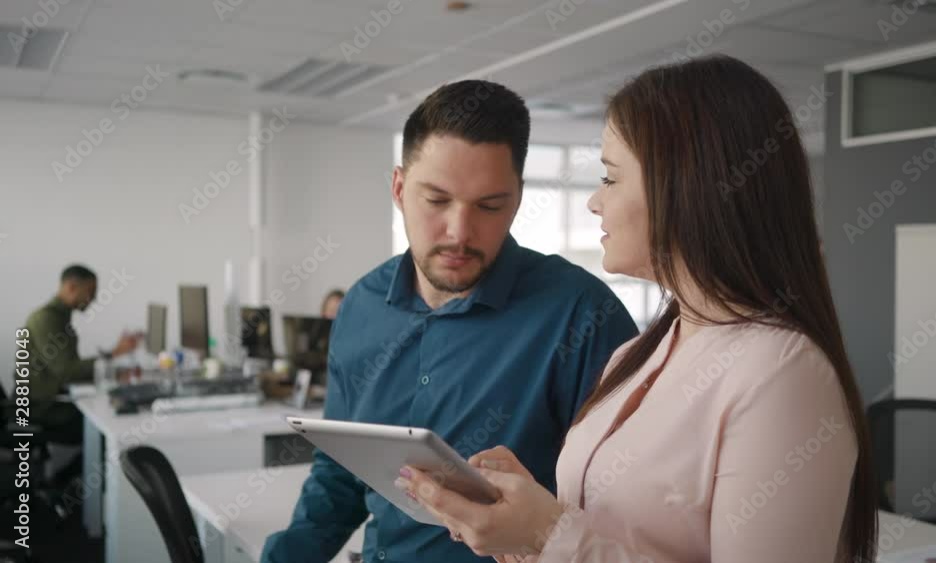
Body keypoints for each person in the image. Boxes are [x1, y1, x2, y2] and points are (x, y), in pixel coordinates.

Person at [396, 56, 878, 563]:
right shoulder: (639, 353)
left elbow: (576, 545)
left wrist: (546, 534)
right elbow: (609, 535)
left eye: (610, 178)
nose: (594, 203)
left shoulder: (781, 372)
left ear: (687, 186)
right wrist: (524, 521)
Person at [261, 80, 638, 563]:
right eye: (437, 201)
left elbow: (621, 509)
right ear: (399, 189)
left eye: (489, 206)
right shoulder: (360, 306)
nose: (459, 232)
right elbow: (339, 476)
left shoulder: (581, 315)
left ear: (517, 200)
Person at [20, 265, 141, 445]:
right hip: (42, 407)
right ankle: (85, 465)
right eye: (90, 291)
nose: (93, 298)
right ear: (71, 287)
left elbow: (69, 368)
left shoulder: (59, 317)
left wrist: (113, 365)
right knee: (108, 425)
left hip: (52, 399)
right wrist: (115, 354)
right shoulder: (46, 319)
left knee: (110, 413)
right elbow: (66, 371)